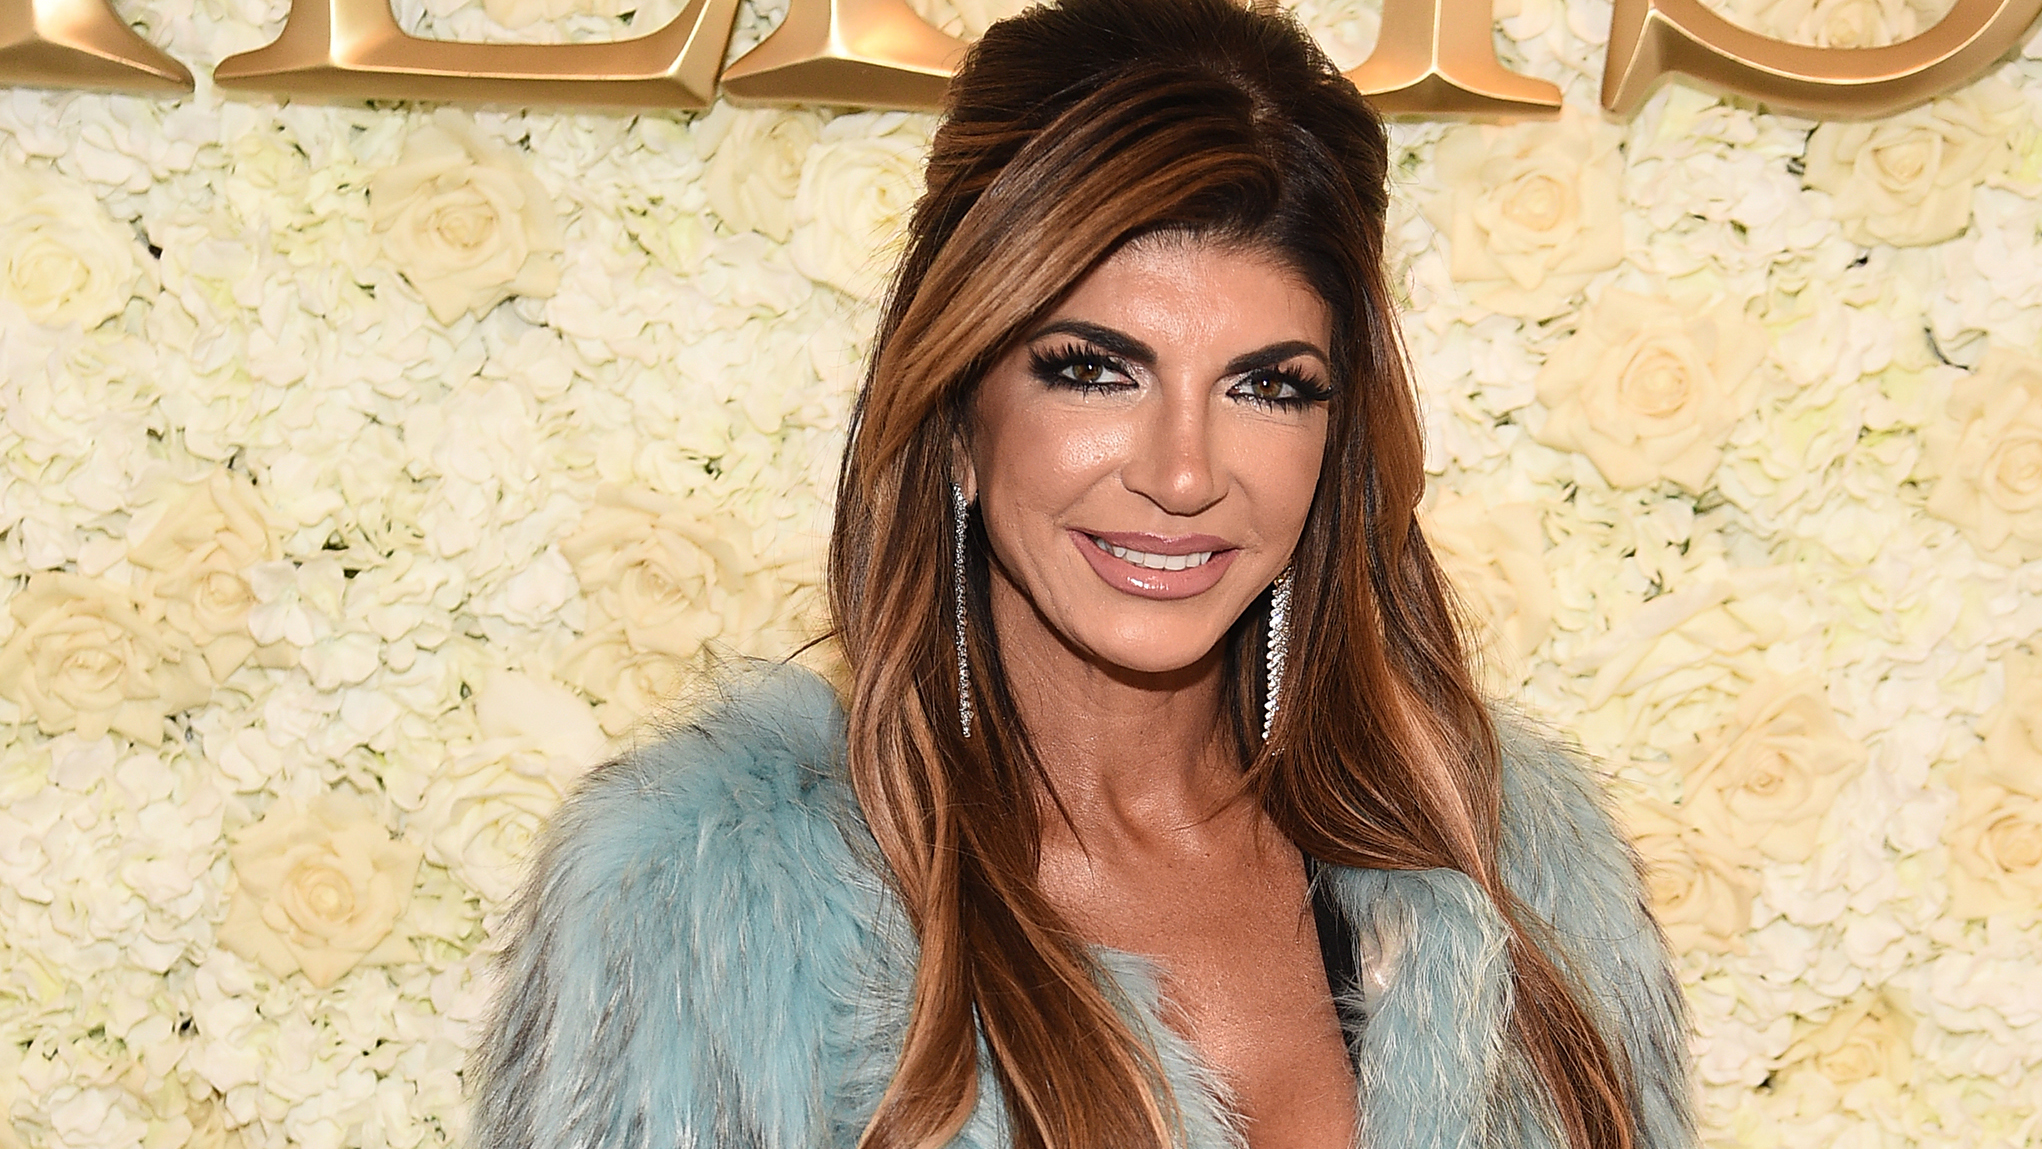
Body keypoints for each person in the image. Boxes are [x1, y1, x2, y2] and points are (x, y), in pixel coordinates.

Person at [470, 0, 1696, 1145]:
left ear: (1334, 442)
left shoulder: (1510, 874)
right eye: (1092, 371)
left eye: (1268, 387)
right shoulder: (713, 910)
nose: (1182, 473)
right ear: (956, 417)